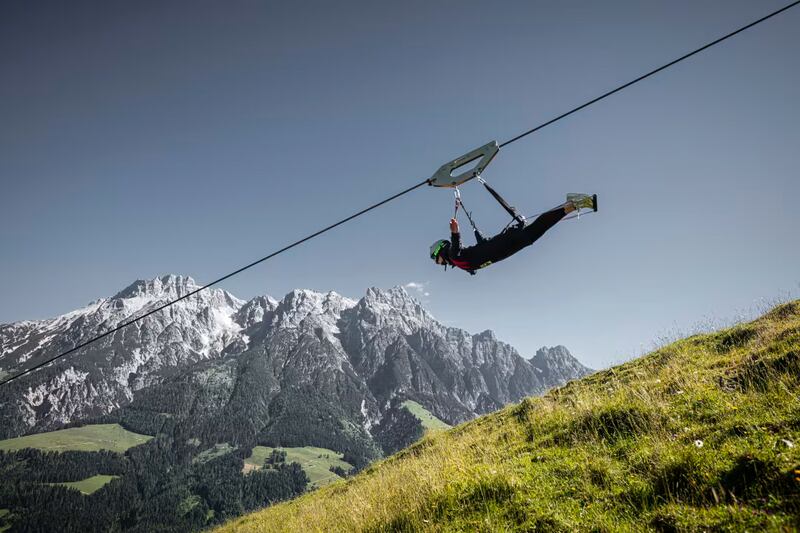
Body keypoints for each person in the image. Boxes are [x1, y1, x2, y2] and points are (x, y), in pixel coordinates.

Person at [429, 193, 597, 274]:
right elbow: (473, 255)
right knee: (538, 229)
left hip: (508, 243)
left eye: (437, 260)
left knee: (538, 228)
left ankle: (573, 204)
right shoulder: (461, 261)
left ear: (441, 251)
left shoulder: (456, 256)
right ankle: (571, 204)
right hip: (508, 246)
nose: (438, 264)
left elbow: (456, 248)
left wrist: (455, 232)